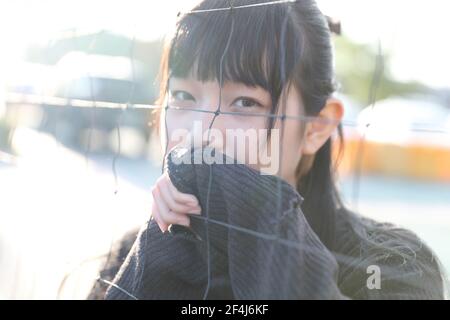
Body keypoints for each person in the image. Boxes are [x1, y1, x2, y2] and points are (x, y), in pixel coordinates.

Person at [89, 0, 446, 300]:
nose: (203, 134)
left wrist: (267, 224)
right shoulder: (132, 253)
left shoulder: (389, 269)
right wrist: (165, 256)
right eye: (183, 96)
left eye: (245, 102)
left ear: (316, 126)